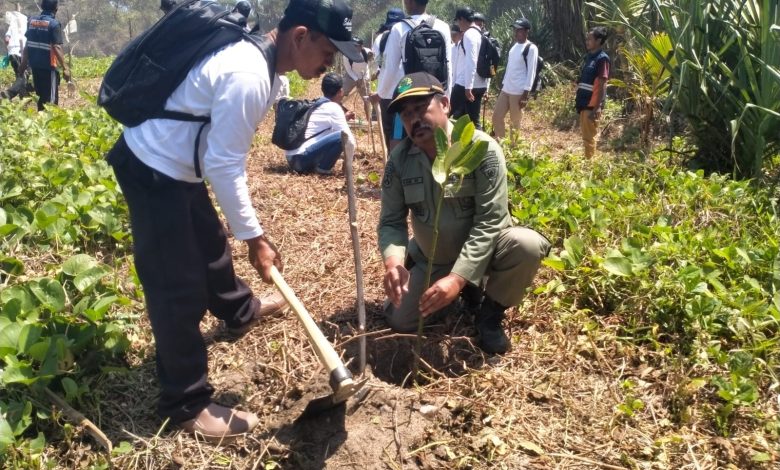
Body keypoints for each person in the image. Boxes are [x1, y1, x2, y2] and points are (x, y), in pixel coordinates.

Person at [104, 0, 362, 441]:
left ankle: (239, 309)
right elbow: (225, 165)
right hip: (153, 166)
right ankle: (186, 403)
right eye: (327, 51)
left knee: (209, 240)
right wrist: (256, 238)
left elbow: (217, 157)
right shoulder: (248, 74)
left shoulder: (263, 68)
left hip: (182, 165)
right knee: (176, 285)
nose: (328, 64)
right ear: (300, 36)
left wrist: (242, 233)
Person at [378, 72, 551, 354]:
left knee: (526, 245)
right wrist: (394, 263)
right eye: (406, 114)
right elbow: (391, 221)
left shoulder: (481, 149)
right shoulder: (399, 161)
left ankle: (489, 314)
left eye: (421, 107)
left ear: (445, 104)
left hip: (486, 256)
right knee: (401, 321)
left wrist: (458, 277)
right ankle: (464, 290)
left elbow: (490, 222)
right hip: (434, 259)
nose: (414, 119)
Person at [370, 0, 452, 151]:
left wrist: (381, 93)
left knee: (398, 142)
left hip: (409, 94)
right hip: (434, 96)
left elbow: (389, 68)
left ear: (409, 2)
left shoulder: (399, 28)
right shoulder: (443, 27)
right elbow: (448, 66)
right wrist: (446, 96)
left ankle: (396, 172)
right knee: (437, 142)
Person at [285, 73, 356, 174]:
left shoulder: (318, 102)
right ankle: (323, 168)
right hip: (301, 160)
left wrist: (344, 119)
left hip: (293, 158)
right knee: (342, 137)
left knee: (338, 134)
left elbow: (321, 126)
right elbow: (349, 140)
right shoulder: (334, 108)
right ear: (340, 91)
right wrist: (347, 165)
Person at [18, 0, 70, 111]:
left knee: (41, 97)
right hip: (49, 67)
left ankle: (41, 122)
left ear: (42, 7)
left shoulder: (31, 21)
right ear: (56, 9)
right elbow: (56, 47)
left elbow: (28, 44)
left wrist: (23, 63)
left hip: (35, 66)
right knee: (50, 102)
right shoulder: (54, 24)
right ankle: (48, 124)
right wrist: (65, 68)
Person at [492, 18, 536, 142]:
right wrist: (504, 83)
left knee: (514, 122)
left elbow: (531, 72)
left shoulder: (531, 48)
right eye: (515, 30)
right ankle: (501, 143)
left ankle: (513, 148)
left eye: (519, 30)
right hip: (507, 89)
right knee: (496, 117)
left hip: (518, 91)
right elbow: (510, 68)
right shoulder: (514, 47)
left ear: (526, 32)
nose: (516, 33)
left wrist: (525, 94)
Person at [575, 26, 610, 158]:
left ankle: (590, 165)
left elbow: (602, 85)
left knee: (589, 138)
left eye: (590, 39)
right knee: (586, 136)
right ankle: (588, 161)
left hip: (591, 105)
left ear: (599, 40)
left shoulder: (602, 59)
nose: (587, 41)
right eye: (587, 39)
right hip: (584, 102)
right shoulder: (589, 57)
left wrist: (597, 108)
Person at [451, 6, 487, 129]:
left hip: (466, 84)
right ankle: (480, 145)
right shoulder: (479, 33)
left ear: (462, 19)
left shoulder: (469, 34)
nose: (458, 24)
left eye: (457, 21)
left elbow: (472, 62)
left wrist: (468, 87)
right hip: (480, 84)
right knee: (473, 121)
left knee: (447, 112)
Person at [341, 37, 371, 121]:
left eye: (356, 46)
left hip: (364, 76)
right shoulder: (346, 55)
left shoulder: (367, 53)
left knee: (367, 100)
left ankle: (369, 122)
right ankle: (341, 114)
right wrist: (356, 79)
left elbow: (371, 66)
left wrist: (365, 79)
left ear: (361, 46)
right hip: (351, 76)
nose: (354, 48)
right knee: (339, 94)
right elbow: (348, 69)